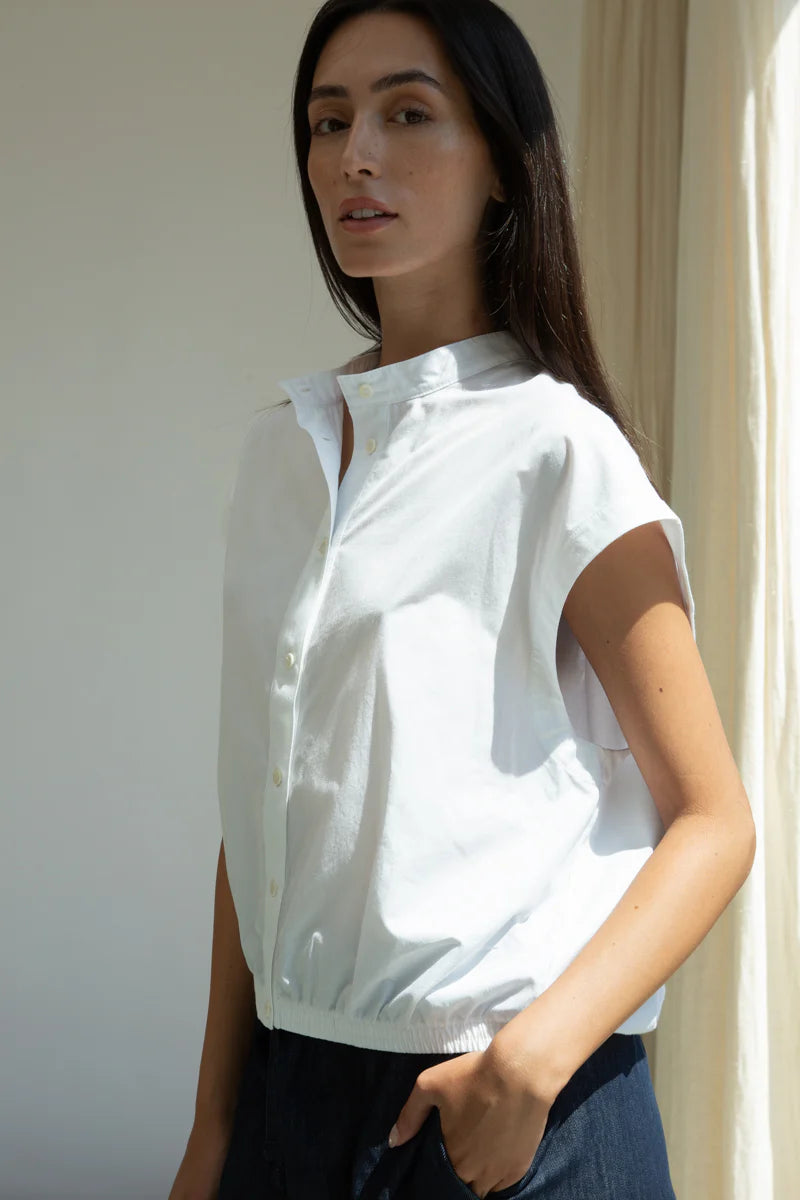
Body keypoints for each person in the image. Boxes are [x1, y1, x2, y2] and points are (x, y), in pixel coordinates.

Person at [169, 2, 756, 1197]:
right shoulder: (283, 455)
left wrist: (530, 1064)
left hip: (510, 1113)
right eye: (327, 122)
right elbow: (261, 817)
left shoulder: (557, 453)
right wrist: (216, 1127)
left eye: (405, 113)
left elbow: (713, 820)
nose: (354, 156)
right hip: (290, 1104)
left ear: (499, 162)